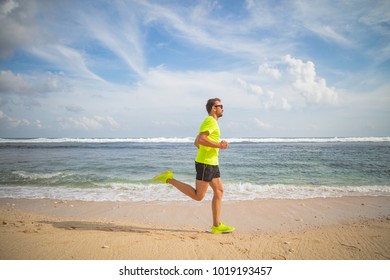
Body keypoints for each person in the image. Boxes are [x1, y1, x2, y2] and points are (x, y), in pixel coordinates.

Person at [152, 98, 235, 234]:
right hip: (205, 164)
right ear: (213, 108)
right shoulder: (210, 121)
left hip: (212, 162)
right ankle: (168, 179)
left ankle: (216, 225)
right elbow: (201, 140)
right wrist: (219, 145)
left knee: (219, 191)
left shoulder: (212, 123)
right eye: (221, 106)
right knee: (198, 196)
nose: (223, 109)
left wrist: (207, 149)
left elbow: (196, 142)